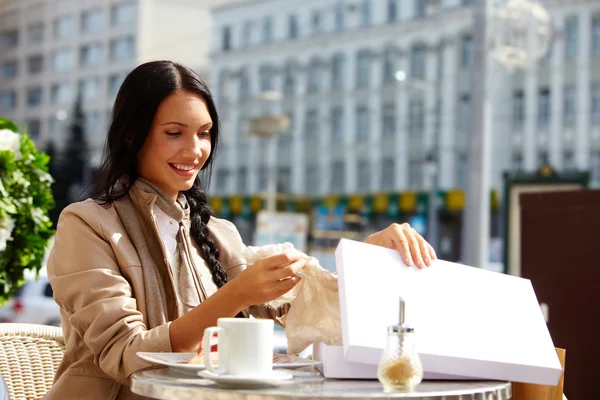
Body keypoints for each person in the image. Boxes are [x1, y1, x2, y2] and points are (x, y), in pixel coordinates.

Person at [44, 60, 436, 400]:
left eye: (204, 133)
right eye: (174, 132)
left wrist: (366, 257)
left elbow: (310, 310)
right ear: (133, 134)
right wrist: (235, 295)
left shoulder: (217, 234)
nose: (195, 150)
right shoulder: (87, 224)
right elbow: (125, 354)